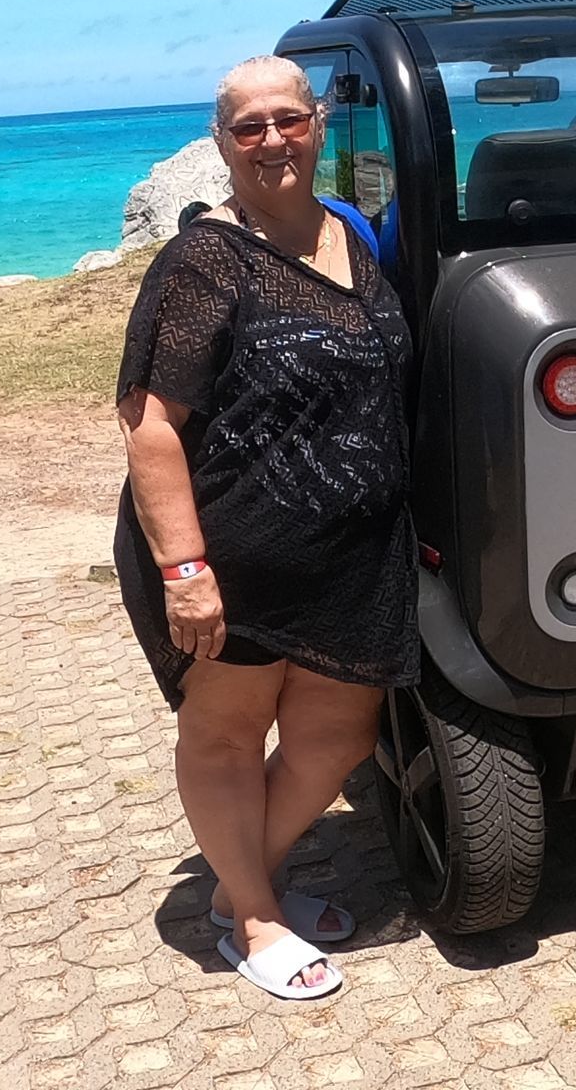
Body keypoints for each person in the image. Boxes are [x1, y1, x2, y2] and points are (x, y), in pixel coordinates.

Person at [113, 55, 417, 1001]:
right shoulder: (204, 259)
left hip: (354, 559)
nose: (272, 140)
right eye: (250, 127)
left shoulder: (356, 236)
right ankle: (251, 912)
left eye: (288, 119)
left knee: (337, 741)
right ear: (223, 143)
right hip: (233, 555)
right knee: (228, 737)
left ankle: (239, 878)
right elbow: (150, 426)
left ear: (320, 124)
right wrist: (185, 569)